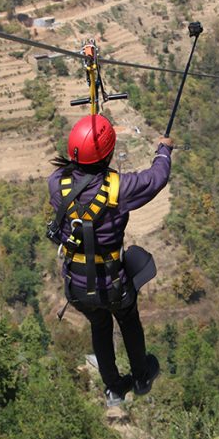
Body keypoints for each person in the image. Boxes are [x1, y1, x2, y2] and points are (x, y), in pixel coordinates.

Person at [47, 114, 173, 406]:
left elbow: (73, 177)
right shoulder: (118, 188)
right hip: (113, 285)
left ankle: (114, 387)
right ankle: (141, 376)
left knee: (99, 325)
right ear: (108, 152)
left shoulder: (56, 184)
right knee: (128, 319)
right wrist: (163, 150)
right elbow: (157, 178)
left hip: (77, 289)